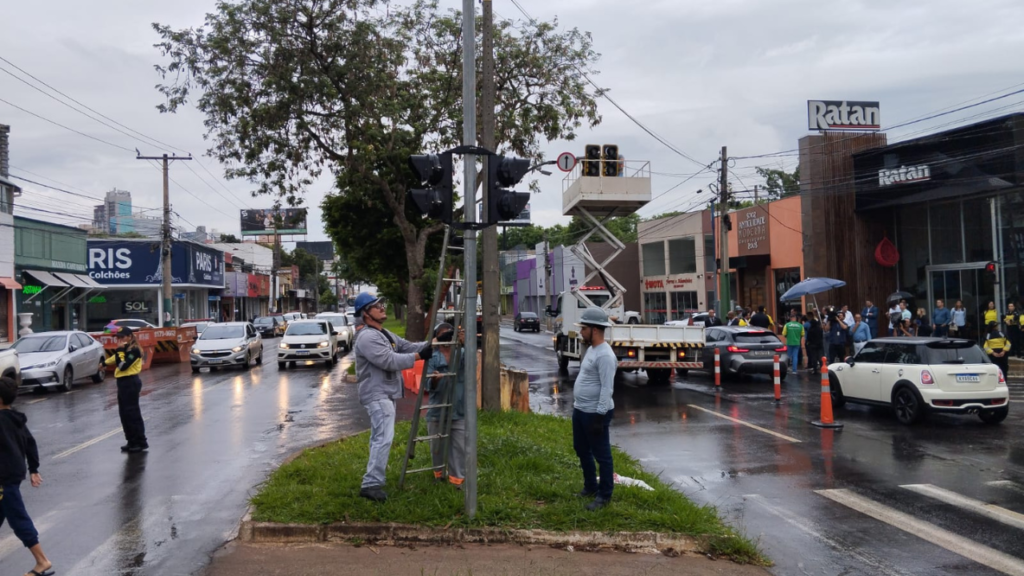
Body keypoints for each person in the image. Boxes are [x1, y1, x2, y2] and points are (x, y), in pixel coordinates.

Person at [352, 292, 433, 502]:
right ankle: (371, 484)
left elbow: (406, 346)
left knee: (379, 437)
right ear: (365, 313)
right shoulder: (368, 337)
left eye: (381, 303)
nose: (382, 307)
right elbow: (389, 360)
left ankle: (373, 479)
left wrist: (432, 344)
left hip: (385, 393)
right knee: (383, 438)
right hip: (376, 394)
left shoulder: (383, 333)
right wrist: (418, 357)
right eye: (376, 305)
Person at [0, 377, 55, 576]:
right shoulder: (15, 418)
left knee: (18, 518)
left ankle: (42, 561)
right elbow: (30, 443)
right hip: (12, 473)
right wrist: (33, 469)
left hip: (3, 478)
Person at [572, 307, 617, 512]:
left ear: (595, 330)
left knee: (602, 455)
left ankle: (604, 495)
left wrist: (600, 416)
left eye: (584, 328)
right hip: (580, 410)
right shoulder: (591, 349)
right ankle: (590, 486)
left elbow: (607, 388)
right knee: (581, 449)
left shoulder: (606, 356)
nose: (581, 332)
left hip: (595, 414)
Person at [425, 323, 466, 489]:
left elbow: (472, 366)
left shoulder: (461, 354)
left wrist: (467, 344)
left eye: (448, 333)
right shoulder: (432, 357)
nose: (445, 338)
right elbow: (426, 384)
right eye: (441, 334)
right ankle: (439, 476)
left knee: (459, 446)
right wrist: (434, 380)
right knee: (437, 446)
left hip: (459, 408)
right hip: (437, 409)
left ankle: (457, 481)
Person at [105, 327, 148, 453]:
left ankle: (139, 441)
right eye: (118, 337)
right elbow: (115, 358)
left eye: (122, 337)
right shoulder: (125, 349)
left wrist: (119, 351)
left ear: (130, 336)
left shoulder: (134, 350)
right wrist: (104, 364)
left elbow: (122, 365)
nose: (119, 340)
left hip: (130, 381)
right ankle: (130, 440)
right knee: (124, 414)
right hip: (123, 382)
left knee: (132, 413)